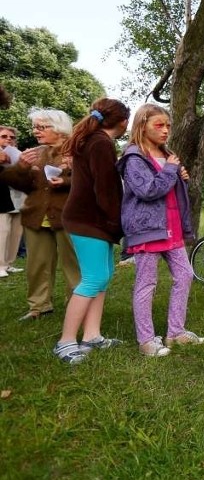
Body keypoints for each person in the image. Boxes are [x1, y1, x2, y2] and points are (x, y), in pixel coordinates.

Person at [117, 103, 204, 357]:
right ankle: (146, 340)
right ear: (142, 126)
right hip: (148, 229)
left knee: (185, 275)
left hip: (172, 228)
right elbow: (148, 191)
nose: (165, 130)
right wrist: (169, 171)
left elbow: (167, 190)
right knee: (147, 283)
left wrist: (180, 178)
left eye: (168, 125)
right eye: (159, 125)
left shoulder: (168, 155)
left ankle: (175, 333)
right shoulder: (133, 158)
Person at [53, 98, 130, 364]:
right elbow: (105, 189)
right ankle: (65, 341)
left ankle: (92, 335)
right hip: (88, 220)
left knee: (103, 276)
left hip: (92, 220)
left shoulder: (94, 139)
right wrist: (116, 223)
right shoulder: (101, 143)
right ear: (123, 122)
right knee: (93, 278)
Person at [0, 110, 80, 321]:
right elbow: (17, 183)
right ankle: (39, 306)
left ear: (59, 128)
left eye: (41, 127)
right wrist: (22, 167)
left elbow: (91, 181)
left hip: (67, 216)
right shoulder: (35, 152)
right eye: (35, 127)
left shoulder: (78, 150)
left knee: (73, 264)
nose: (36, 131)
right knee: (36, 265)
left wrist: (67, 179)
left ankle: (77, 303)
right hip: (36, 215)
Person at [0, 126, 24, 277]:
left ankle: (9, 264)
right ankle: (0, 265)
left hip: (18, 196)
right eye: (4, 136)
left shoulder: (19, 154)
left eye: (12, 137)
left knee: (16, 232)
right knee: (3, 231)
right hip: (1, 198)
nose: (9, 139)